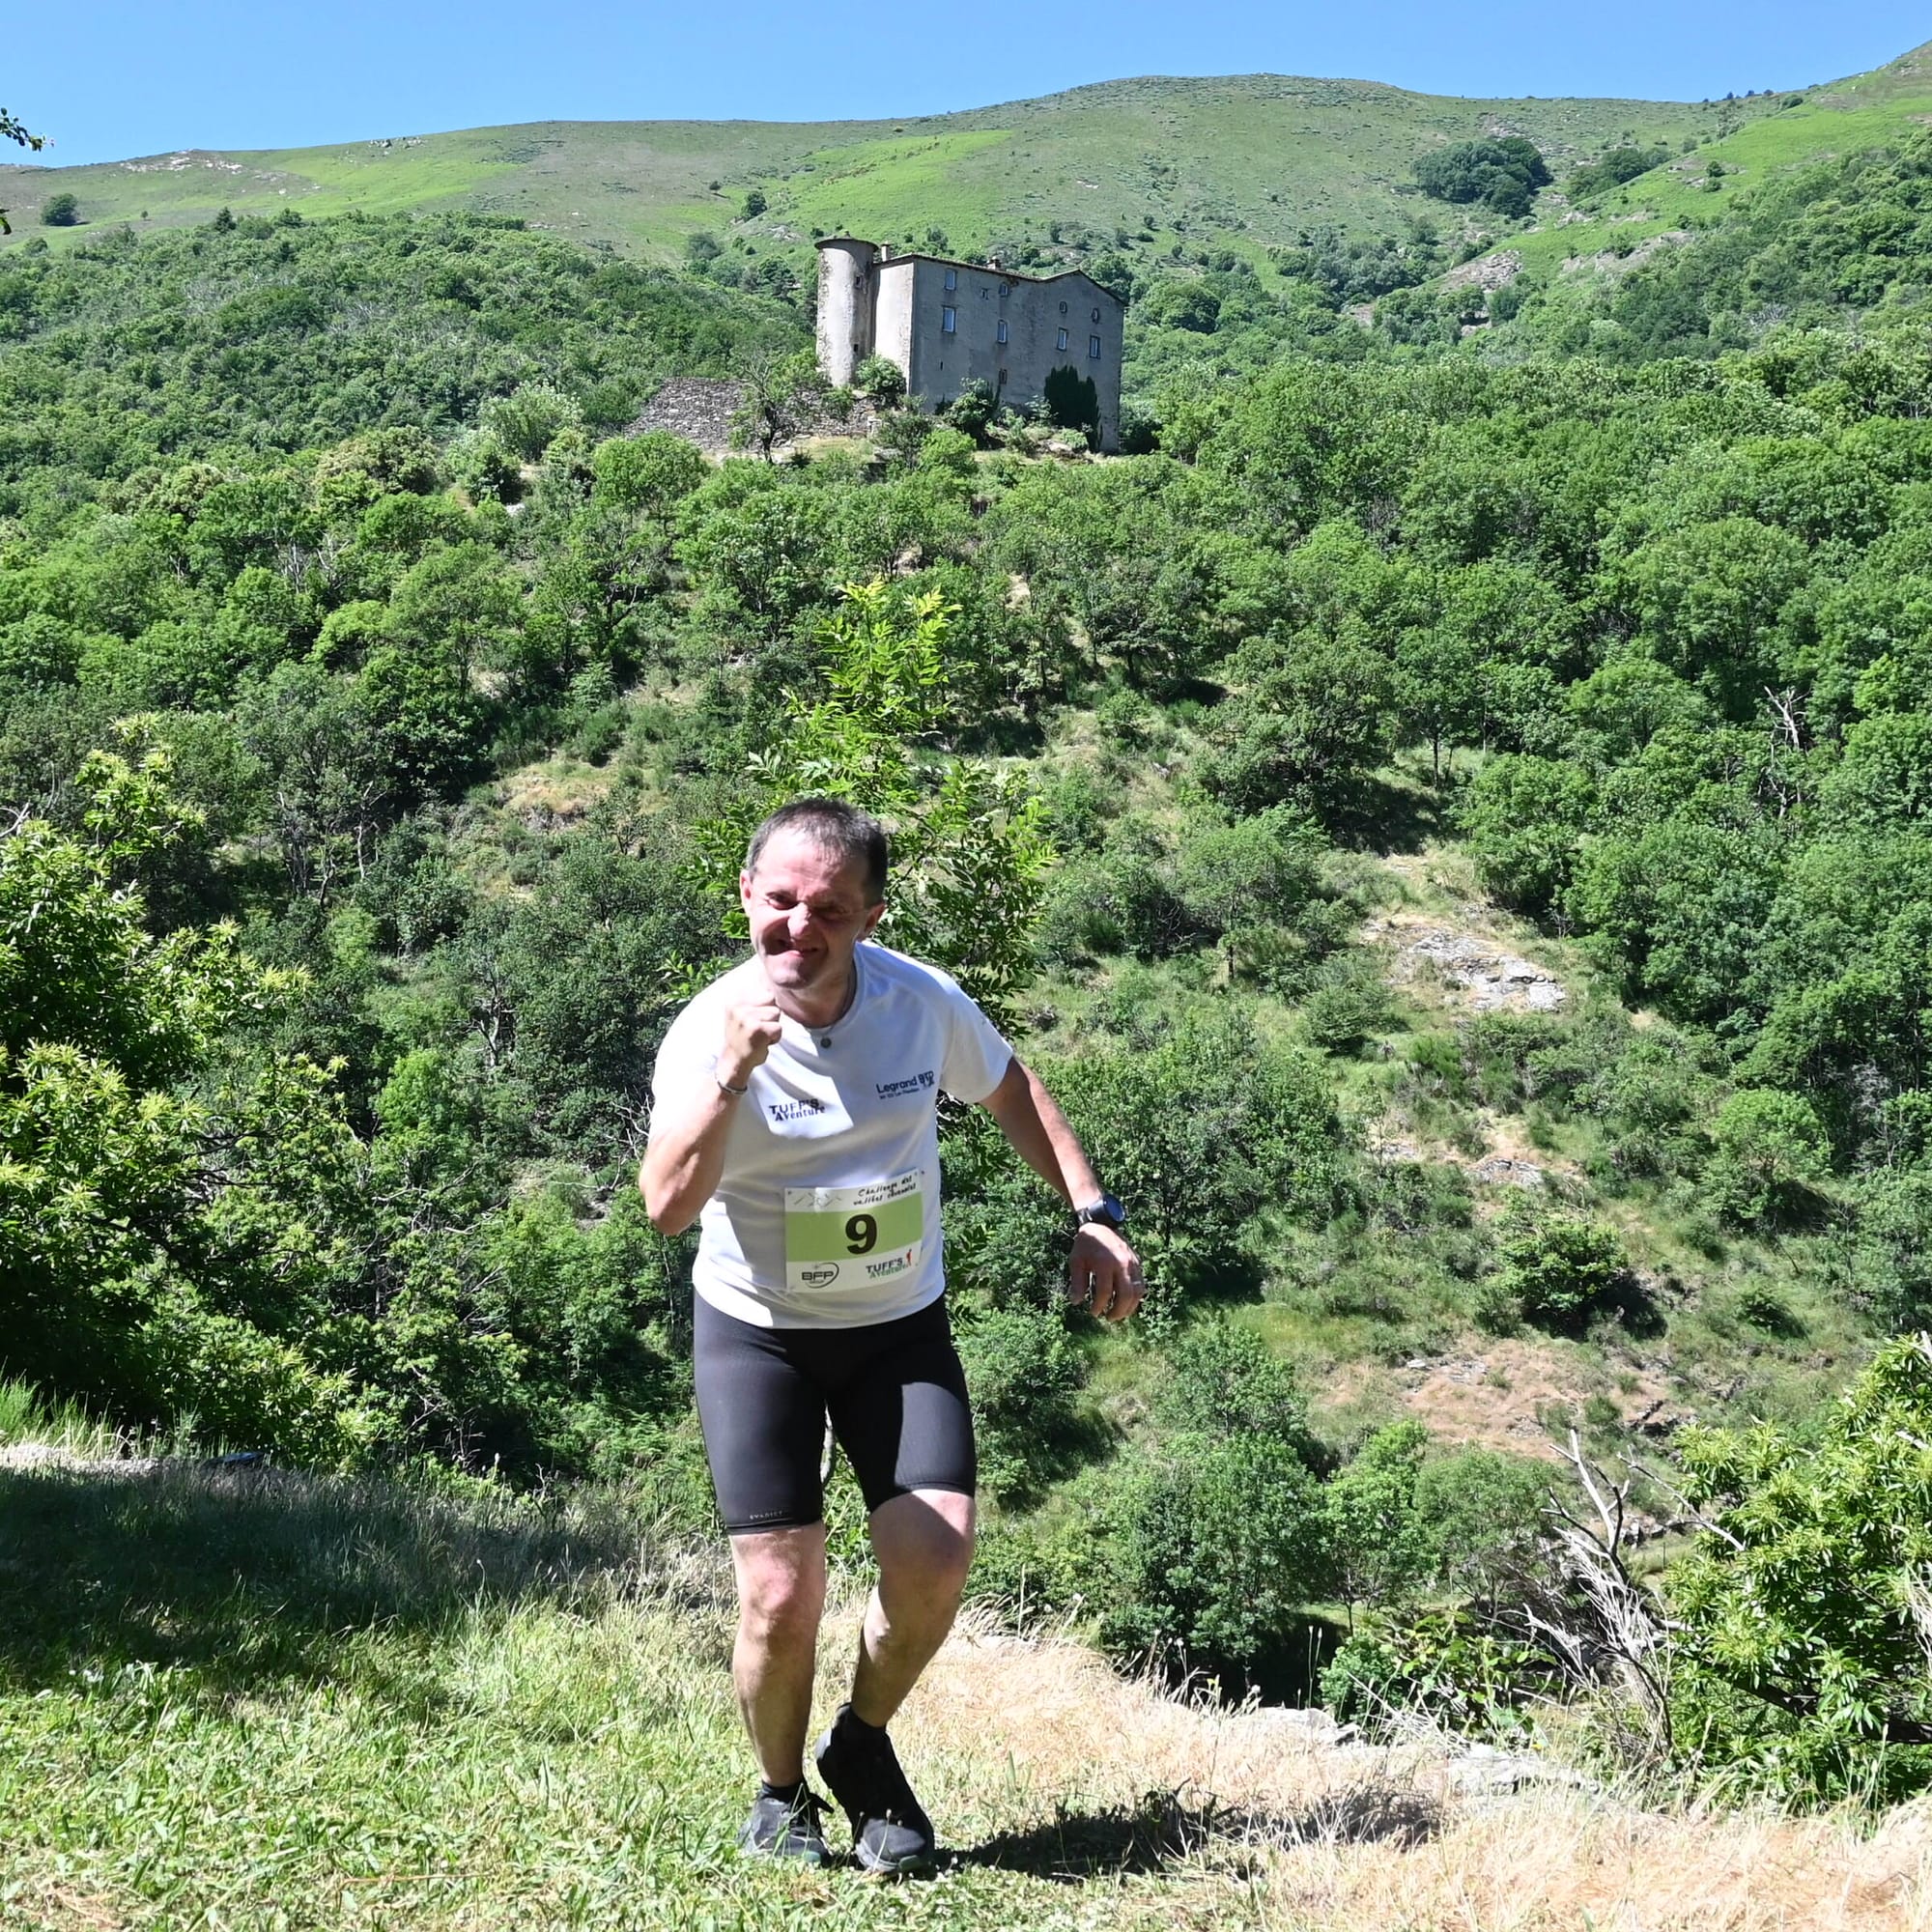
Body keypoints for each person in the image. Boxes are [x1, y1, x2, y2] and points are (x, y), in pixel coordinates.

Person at [640, 796, 1143, 1875]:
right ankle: (780, 1795)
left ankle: (859, 1745)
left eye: (829, 908)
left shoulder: (920, 1002)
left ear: (870, 916)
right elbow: (667, 1207)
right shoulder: (706, 1030)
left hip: (896, 1326)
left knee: (934, 1561)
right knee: (782, 1594)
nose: (798, 926)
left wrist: (1091, 1210)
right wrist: (732, 1072)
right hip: (761, 1334)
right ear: (746, 895)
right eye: (780, 900)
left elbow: (1011, 1088)